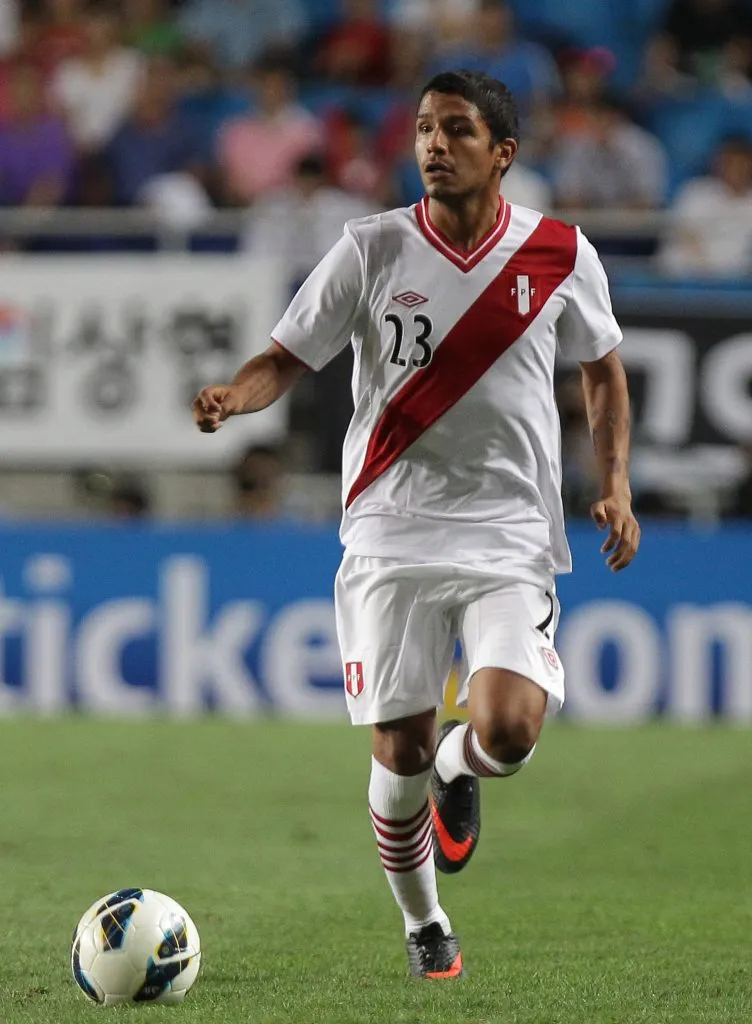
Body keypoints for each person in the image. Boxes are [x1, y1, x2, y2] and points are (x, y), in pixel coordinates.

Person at [192, 69, 640, 979]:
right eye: (426, 130)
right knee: (393, 747)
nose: (434, 145)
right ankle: (424, 921)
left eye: (457, 131)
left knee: (510, 730)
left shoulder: (560, 253)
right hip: (391, 528)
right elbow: (288, 356)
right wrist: (235, 398)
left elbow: (602, 369)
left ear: (502, 153)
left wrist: (617, 482)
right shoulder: (369, 248)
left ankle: (460, 762)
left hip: (510, 529)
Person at [658, 134, 752, 278]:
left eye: (740, 162)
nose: (735, 168)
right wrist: (706, 267)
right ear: (718, 162)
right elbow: (683, 234)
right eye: (729, 162)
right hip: (691, 270)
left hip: (738, 275)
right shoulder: (695, 191)